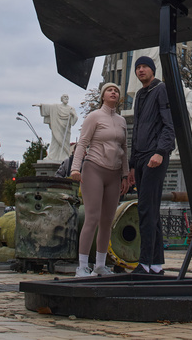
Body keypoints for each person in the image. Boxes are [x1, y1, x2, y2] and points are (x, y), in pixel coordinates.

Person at [70, 82, 130, 277]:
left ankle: (100, 265)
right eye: (110, 90)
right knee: (92, 217)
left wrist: (125, 175)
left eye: (116, 91)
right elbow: (82, 144)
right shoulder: (94, 117)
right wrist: (75, 168)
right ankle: (82, 265)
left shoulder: (121, 121)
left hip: (114, 174)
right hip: (94, 168)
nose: (113, 92)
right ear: (103, 95)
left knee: (107, 220)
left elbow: (124, 150)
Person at [128, 55, 175, 274]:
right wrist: (131, 164)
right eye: (137, 67)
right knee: (151, 210)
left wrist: (160, 151)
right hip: (140, 157)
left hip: (154, 157)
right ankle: (156, 264)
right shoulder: (139, 94)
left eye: (144, 66)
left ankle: (144, 262)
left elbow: (169, 124)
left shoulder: (160, 89)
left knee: (146, 209)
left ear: (152, 69)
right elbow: (137, 129)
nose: (140, 70)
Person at [34, 95, 77, 162]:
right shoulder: (56, 107)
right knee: (55, 141)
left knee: (65, 142)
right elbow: (49, 108)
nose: (66, 99)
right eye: (64, 98)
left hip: (66, 129)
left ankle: (64, 156)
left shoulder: (71, 108)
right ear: (61, 99)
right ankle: (52, 156)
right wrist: (41, 105)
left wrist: (73, 114)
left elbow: (75, 119)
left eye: (67, 98)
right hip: (57, 127)